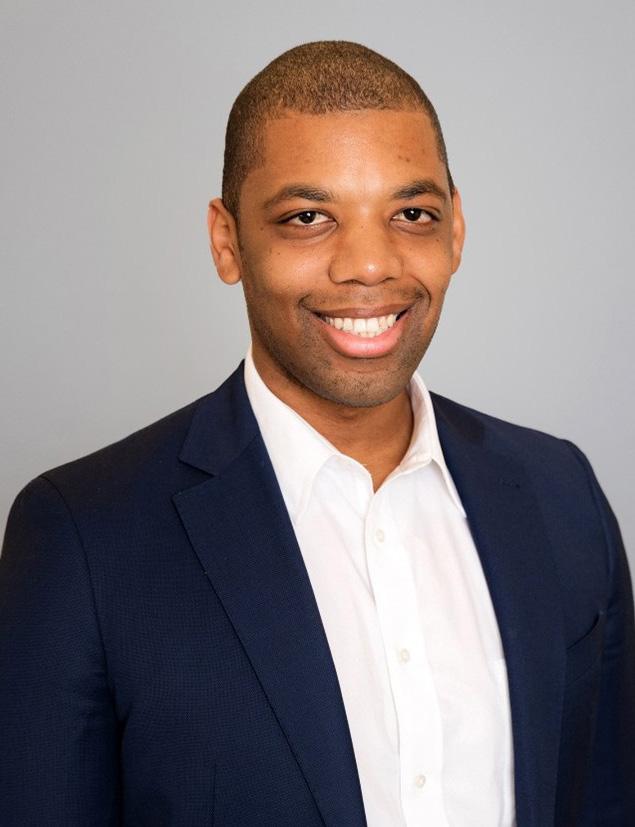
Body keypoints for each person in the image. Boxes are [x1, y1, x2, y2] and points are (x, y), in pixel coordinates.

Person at [0, 40, 633, 827]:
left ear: (456, 229)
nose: (368, 264)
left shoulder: (561, 492)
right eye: (308, 218)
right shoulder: (82, 537)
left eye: (411, 214)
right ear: (227, 241)